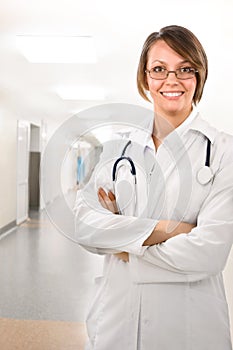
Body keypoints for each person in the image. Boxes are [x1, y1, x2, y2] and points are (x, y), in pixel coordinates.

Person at [74, 25, 233, 350]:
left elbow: (209, 252)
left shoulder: (223, 151)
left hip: (189, 326)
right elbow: (84, 226)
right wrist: (170, 230)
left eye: (185, 69)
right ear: (145, 79)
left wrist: (123, 244)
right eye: (159, 69)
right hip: (117, 318)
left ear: (198, 76)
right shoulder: (117, 148)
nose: (171, 80)